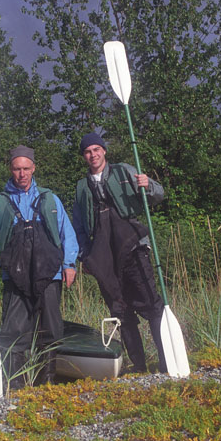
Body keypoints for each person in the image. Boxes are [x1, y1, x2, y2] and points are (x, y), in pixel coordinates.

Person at [0, 144, 78, 386]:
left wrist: (69, 264)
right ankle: (18, 386)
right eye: (17, 169)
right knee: (13, 332)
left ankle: (47, 383)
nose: (22, 174)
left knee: (51, 329)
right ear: (11, 169)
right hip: (14, 275)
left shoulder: (50, 199)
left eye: (26, 168)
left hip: (50, 273)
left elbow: (67, 234)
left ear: (34, 168)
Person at [72, 132, 167, 373]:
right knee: (120, 311)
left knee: (151, 306)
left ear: (104, 151)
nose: (93, 154)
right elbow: (79, 227)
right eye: (87, 151)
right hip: (104, 257)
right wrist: (84, 255)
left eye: (96, 149)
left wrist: (149, 185)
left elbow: (158, 196)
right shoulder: (82, 187)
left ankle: (167, 361)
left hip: (134, 249)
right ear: (84, 156)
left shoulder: (124, 171)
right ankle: (139, 365)